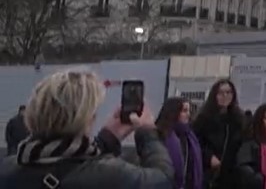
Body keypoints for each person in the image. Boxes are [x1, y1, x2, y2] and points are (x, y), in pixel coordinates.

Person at [0, 68, 173, 189]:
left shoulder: (8, 170)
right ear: (86, 120)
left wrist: (107, 139)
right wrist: (147, 132)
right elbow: (162, 179)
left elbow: (66, 159)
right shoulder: (111, 175)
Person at [193, 80, 247, 189]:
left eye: (228, 92)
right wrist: (208, 157)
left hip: (231, 175)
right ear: (214, 95)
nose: (225, 96)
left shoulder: (239, 120)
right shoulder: (203, 119)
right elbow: (196, 142)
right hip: (209, 173)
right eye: (221, 93)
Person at [154, 98, 204, 189]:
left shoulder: (189, 136)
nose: (188, 114)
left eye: (189, 111)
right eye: (184, 111)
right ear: (173, 112)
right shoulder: (160, 134)